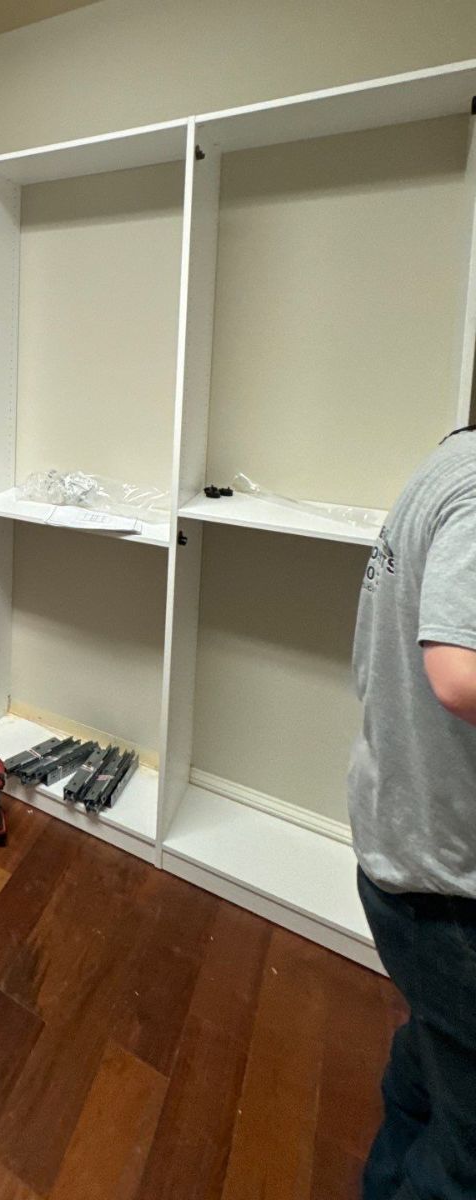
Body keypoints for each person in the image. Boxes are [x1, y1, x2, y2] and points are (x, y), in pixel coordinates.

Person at [349, 423, 476, 1200]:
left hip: (401, 843)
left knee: (432, 1062)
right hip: (444, 879)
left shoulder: (448, 459)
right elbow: (457, 677)